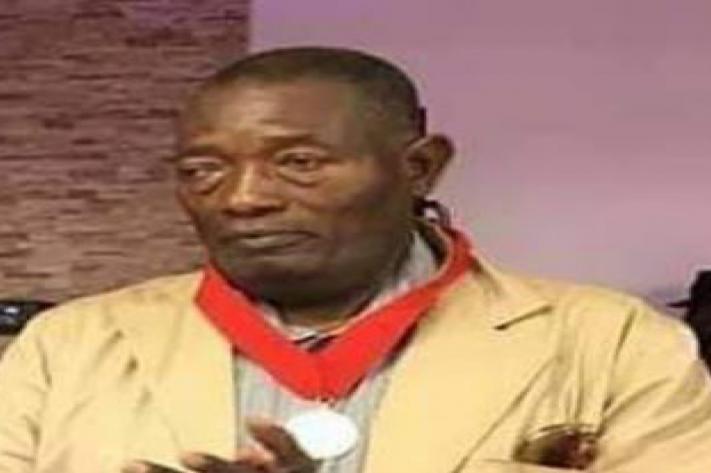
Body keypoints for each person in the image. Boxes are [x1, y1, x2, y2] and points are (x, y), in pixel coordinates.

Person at [0, 47, 710, 473]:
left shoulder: (613, 341)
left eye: (299, 163)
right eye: (202, 170)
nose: (242, 198)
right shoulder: (65, 346)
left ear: (419, 167)